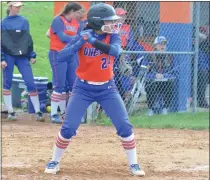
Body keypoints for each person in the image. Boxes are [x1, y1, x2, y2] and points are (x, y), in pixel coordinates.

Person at [44, 3, 145, 177]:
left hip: (107, 88)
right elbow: (62, 55)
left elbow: (115, 52)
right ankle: (54, 160)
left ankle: (134, 164)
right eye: (108, 20)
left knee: (124, 126)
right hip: (83, 88)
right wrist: (80, 42)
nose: (113, 24)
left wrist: (92, 41)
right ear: (97, 22)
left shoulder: (113, 36)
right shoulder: (83, 35)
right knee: (68, 128)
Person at [1, 1, 44, 121]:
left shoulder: (24, 21)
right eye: (16, 6)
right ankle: (10, 112)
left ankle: (38, 112)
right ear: (10, 7)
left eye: (20, 6)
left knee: (30, 82)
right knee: (7, 83)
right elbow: (1, 43)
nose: (19, 8)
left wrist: (31, 55)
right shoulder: (3, 23)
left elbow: (27, 39)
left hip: (22, 56)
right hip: (9, 55)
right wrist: (2, 58)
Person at [47, 2, 85, 123]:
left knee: (71, 85)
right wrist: (78, 39)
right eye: (78, 13)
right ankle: (53, 114)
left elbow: (81, 36)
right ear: (72, 11)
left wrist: (80, 39)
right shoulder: (58, 20)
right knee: (59, 84)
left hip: (71, 55)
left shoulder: (77, 23)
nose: (80, 16)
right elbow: (62, 37)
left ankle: (64, 113)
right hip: (57, 54)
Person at [145, 36, 176, 116]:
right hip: (153, 80)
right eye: (160, 44)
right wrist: (154, 75)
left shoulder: (170, 56)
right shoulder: (149, 55)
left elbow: (175, 73)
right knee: (150, 86)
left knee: (170, 85)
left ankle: (165, 108)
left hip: (164, 80)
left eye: (164, 44)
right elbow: (144, 72)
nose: (162, 46)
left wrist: (164, 75)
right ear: (155, 45)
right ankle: (151, 109)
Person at [197, 34, 209, 108]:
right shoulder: (203, 46)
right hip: (204, 69)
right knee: (203, 72)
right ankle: (201, 101)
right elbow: (202, 63)